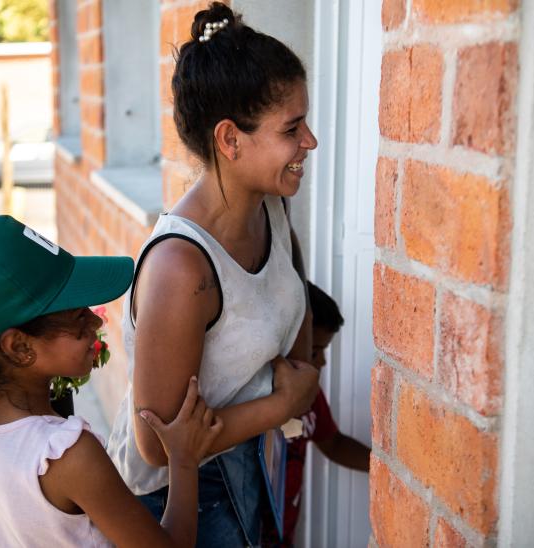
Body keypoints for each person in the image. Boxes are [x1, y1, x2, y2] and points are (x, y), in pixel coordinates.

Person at [106, 3, 321, 546]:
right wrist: (284, 404)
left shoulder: (272, 207)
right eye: (292, 128)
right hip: (177, 499)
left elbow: (294, 326)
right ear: (230, 140)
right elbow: (160, 444)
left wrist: (284, 390)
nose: (310, 143)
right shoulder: (181, 268)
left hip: (247, 463)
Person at [0, 215, 222, 548]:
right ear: (20, 347)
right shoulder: (65, 455)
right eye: (76, 317)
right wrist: (183, 459)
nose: (94, 322)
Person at [263, 282, 371, 547]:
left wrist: (383, 467)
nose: (322, 362)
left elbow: (333, 443)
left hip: (283, 535)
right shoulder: (255, 399)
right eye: (314, 351)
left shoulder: (309, 398)